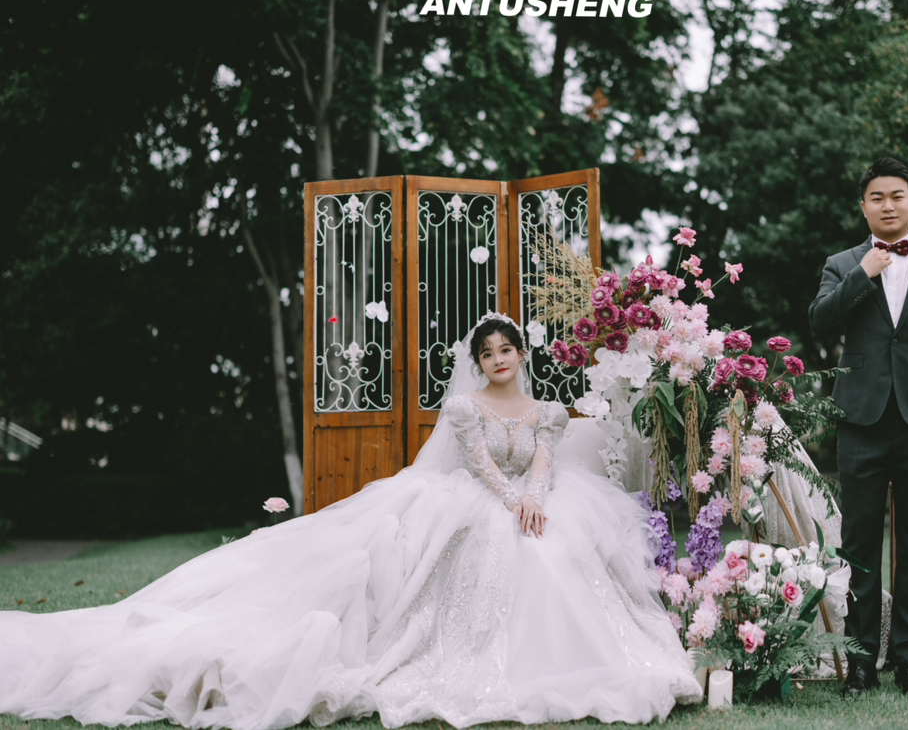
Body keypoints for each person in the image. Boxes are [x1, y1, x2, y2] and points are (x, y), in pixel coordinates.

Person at [0, 312, 701, 729]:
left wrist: (535, 499)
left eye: (505, 351)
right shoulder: (465, 409)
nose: (497, 361)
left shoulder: (546, 410)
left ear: (521, 355)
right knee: (487, 544)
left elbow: (542, 459)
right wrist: (508, 498)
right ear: (478, 363)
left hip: (536, 501)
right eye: (486, 354)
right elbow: (481, 465)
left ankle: (569, 657)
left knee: (553, 548)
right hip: (475, 498)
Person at [808, 158, 908, 698]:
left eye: (897, 195)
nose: (887, 205)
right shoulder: (842, 263)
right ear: (864, 207)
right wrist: (864, 274)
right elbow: (820, 320)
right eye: (876, 197)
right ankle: (862, 662)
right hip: (860, 418)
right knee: (858, 543)